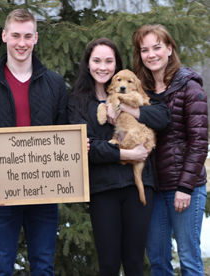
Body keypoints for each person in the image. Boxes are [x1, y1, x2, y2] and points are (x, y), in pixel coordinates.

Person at [0, 9, 67, 276]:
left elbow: (66, 130)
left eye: (28, 36)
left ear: (36, 38)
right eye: (16, 35)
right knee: (0, 265)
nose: (22, 42)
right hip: (2, 190)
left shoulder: (54, 83)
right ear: (5, 36)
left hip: (45, 189)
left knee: (43, 265)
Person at [67, 37, 171, 275]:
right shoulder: (77, 101)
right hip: (103, 189)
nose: (102, 67)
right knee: (109, 265)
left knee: (135, 263)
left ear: (117, 66)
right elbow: (88, 147)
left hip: (138, 188)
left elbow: (163, 116)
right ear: (88, 64)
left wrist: (125, 107)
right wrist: (128, 153)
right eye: (96, 61)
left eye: (109, 61)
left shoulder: (132, 90)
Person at [133, 24, 208, 276]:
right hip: (153, 189)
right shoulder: (140, 92)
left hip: (184, 188)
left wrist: (185, 187)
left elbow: (199, 141)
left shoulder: (189, 86)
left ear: (169, 49)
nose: (151, 54)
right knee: (157, 262)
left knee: (189, 260)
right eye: (145, 50)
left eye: (157, 47)